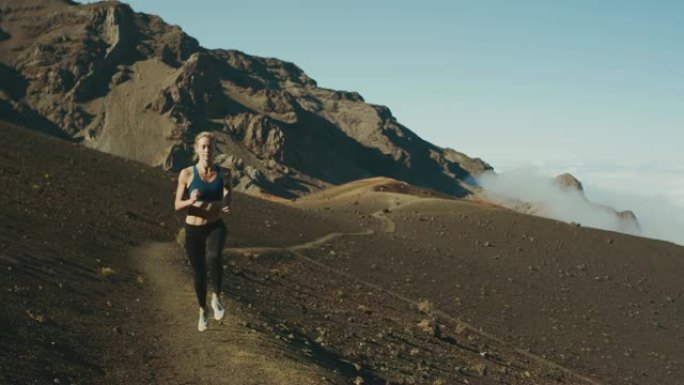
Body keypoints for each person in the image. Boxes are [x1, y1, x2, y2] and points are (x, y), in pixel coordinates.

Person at [174, 131, 232, 332]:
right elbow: (177, 205)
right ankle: (202, 310)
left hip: (215, 225)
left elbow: (228, 191)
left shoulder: (224, 173)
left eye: (211, 146)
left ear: (215, 149)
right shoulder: (187, 174)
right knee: (199, 275)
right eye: (204, 146)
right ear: (197, 149)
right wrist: (191, 200)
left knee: (214, 257)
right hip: (193, 230)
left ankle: (216, 297)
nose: (207, 150)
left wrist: (227, 204)